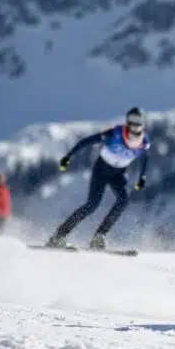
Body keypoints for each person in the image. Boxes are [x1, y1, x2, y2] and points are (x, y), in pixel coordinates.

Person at [45, 107, 149, 250]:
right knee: (92, 205)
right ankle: (58, 236)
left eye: (138, 121)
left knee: (124, 200)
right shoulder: (115, 133)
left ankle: (99, 237)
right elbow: (87, 141)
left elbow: (144, 159)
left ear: (144, 123)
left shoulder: (143, 142)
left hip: (118, 175)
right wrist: (68, 156)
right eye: (132, 120)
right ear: (127, 120)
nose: (134, 125)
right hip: (101, 171)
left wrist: (142, 177)